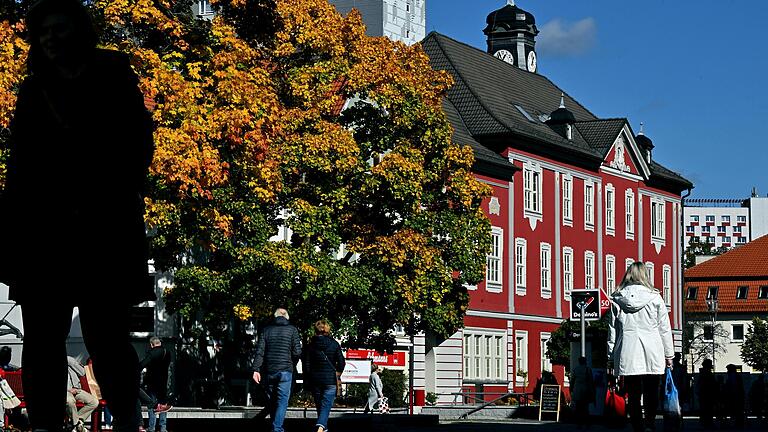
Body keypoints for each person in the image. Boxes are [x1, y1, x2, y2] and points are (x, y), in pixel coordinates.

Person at [0, 0, 155, 430]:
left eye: (59, 29)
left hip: (102, 228)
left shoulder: (112, 75)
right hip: (43, 232)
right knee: (42, 342)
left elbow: (140, 145)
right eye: (43, 31)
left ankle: (126, 418)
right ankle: (48, 423)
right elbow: (19, 167)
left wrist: (108, 182)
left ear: (79, 31)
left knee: (105, 339)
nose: (50, 38)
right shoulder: (33, 90)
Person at [607, 262, 674, 432]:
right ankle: (650, 423)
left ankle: (637, 425)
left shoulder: (617, 299)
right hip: (653, 350)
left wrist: (610, 356)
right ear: (645, 275)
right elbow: (664, 328)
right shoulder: (655, 298)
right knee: (652, 391)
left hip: (627, 350)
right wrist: (669, 354)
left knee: (633, 393)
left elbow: (612, 331)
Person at [251, 308, 302, 432]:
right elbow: (297, 352)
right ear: (287, 317)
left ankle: (275, 425)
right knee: (282, 400)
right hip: (285, 370)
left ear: (275, 317)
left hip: (270, 370)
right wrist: (292, 363)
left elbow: (260, 352)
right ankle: (277, 427)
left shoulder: (266, 330)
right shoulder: (292, 330)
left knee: (272, 400)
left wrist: (256, 369)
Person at [303, 320, 345, 432]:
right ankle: (321, 427)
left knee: (319, 406)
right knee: (326, 405)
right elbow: (341, 362)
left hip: (315, 379)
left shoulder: (310, 345)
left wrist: (308, 376)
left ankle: (323, 427)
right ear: (327, 329)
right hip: (330, 380)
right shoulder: (334, 344)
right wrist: (338, 372)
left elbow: (306, 364)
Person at [138, 337, 172, 432]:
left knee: (152, 404)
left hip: (152, 382)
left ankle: (152, 427)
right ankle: (163, 427)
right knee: (163, 404)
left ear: (151, 344)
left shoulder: (152, 353)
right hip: (163, 381)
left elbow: (142, 364)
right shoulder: (167, 352)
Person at [66, 356, 99, 432]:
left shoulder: (70, 361)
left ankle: (77, 423)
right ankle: (77, 425)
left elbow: (82, 373)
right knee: (70, 401)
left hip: (77, 389)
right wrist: (68, 390)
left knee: (94, 402)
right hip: (67, 391)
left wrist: (72, 362)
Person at [570, 356, 594, 429]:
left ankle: (579, 423)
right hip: (585, 390)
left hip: (577, 389)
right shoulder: (587, 369)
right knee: (585, 408)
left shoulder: (576, 369)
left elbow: (572, 380)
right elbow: (590, 381)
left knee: (578, 407)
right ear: (585, 361)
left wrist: (571, 389)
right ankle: (587, 423)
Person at [724, 364, 744, 428]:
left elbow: (733, 386)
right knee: (736, 410)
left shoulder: (733, 376)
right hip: (736, 395)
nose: (727, 371)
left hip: (734, 396)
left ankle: (738, 422)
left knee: (736, 410)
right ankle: (738, 422)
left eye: (728, 369)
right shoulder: (736, 376)